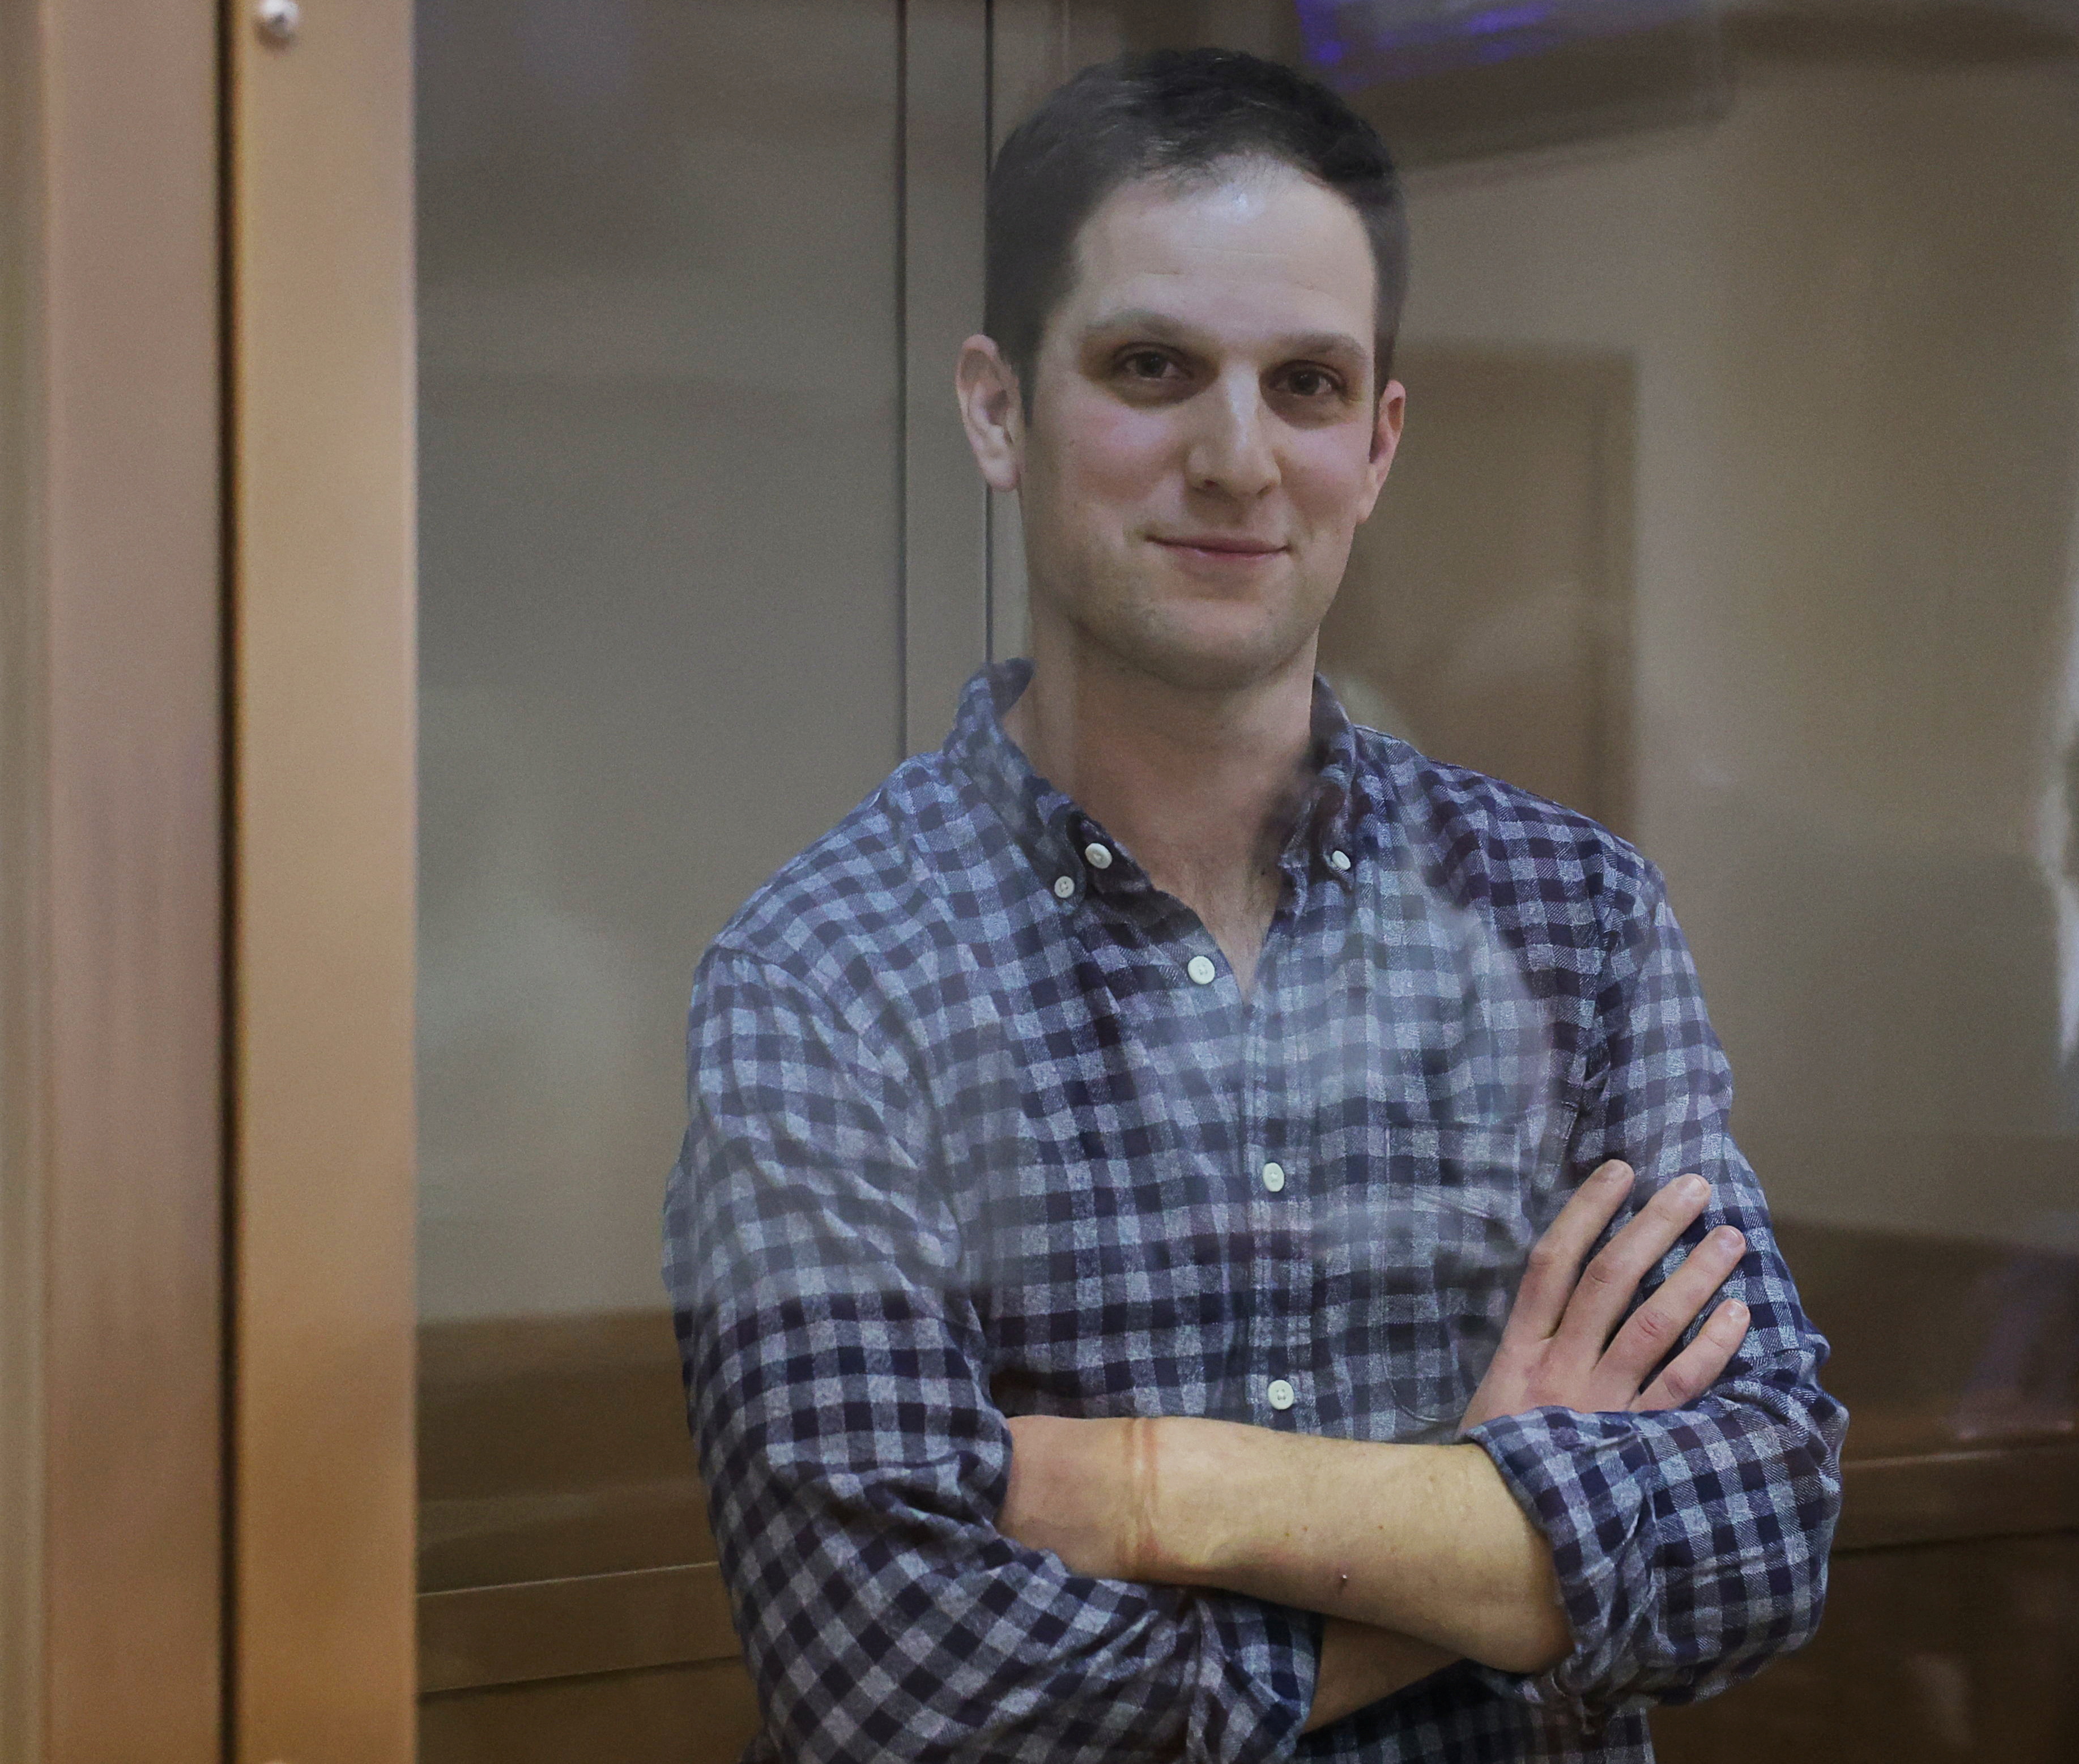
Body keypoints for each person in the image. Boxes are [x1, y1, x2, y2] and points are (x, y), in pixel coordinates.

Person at [664, 47, 1844, 1763]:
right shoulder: (828, 982)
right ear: (997, 408)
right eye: (1155, 368)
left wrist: (1161, 1491)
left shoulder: (1570, 921)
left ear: (1376, 445)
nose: (1236, 456)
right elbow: (910, 1694)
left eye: (1304, 384)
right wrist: (1483, 1527)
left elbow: (1763, 1523)